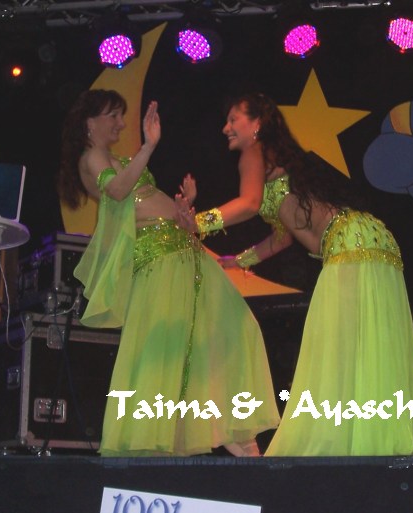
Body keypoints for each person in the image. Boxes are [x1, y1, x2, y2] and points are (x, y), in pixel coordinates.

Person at [175, 92, 413, 456]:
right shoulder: (275, 159)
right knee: (365, 344)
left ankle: (356, 442)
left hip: (349, 243)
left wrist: (199, 223)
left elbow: (249, 204)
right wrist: (242, 260)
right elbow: (285, 234)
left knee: (336, 345)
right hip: (373, 238)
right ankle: (373, 441)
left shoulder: (255, 151)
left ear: (257, 124)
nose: (226, 127)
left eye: (234, 119)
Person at [57, 89, 279, 457]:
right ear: (89, 121)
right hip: (160, 259)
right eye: (113, 115)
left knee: (227, 330)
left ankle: (230, 431)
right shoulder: (92, 155)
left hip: (182, 252)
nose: (121, 123)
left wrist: (185, 206)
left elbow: (144, 203)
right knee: (167, 348)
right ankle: (175, 440)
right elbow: (117, 191)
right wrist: (148, 146)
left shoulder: (117, 158)